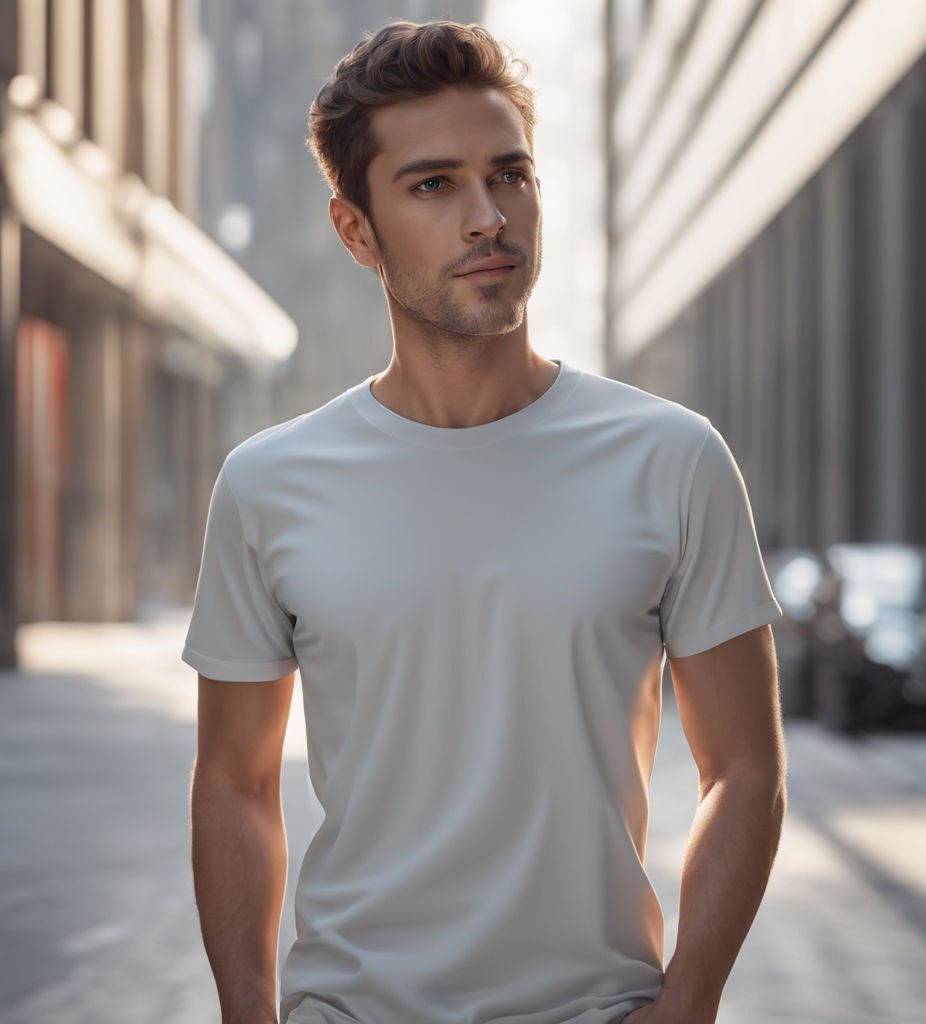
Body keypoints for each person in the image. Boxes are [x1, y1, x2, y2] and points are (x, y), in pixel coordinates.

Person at [184, 20, 786, 1024]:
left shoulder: (672, 459)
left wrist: (687, 1007)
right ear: (355, 231)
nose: (487, 218)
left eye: (510, 175)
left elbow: (746, 766)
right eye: (433, 186)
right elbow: (235, 781)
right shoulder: (268, 483)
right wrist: (249, 1012)